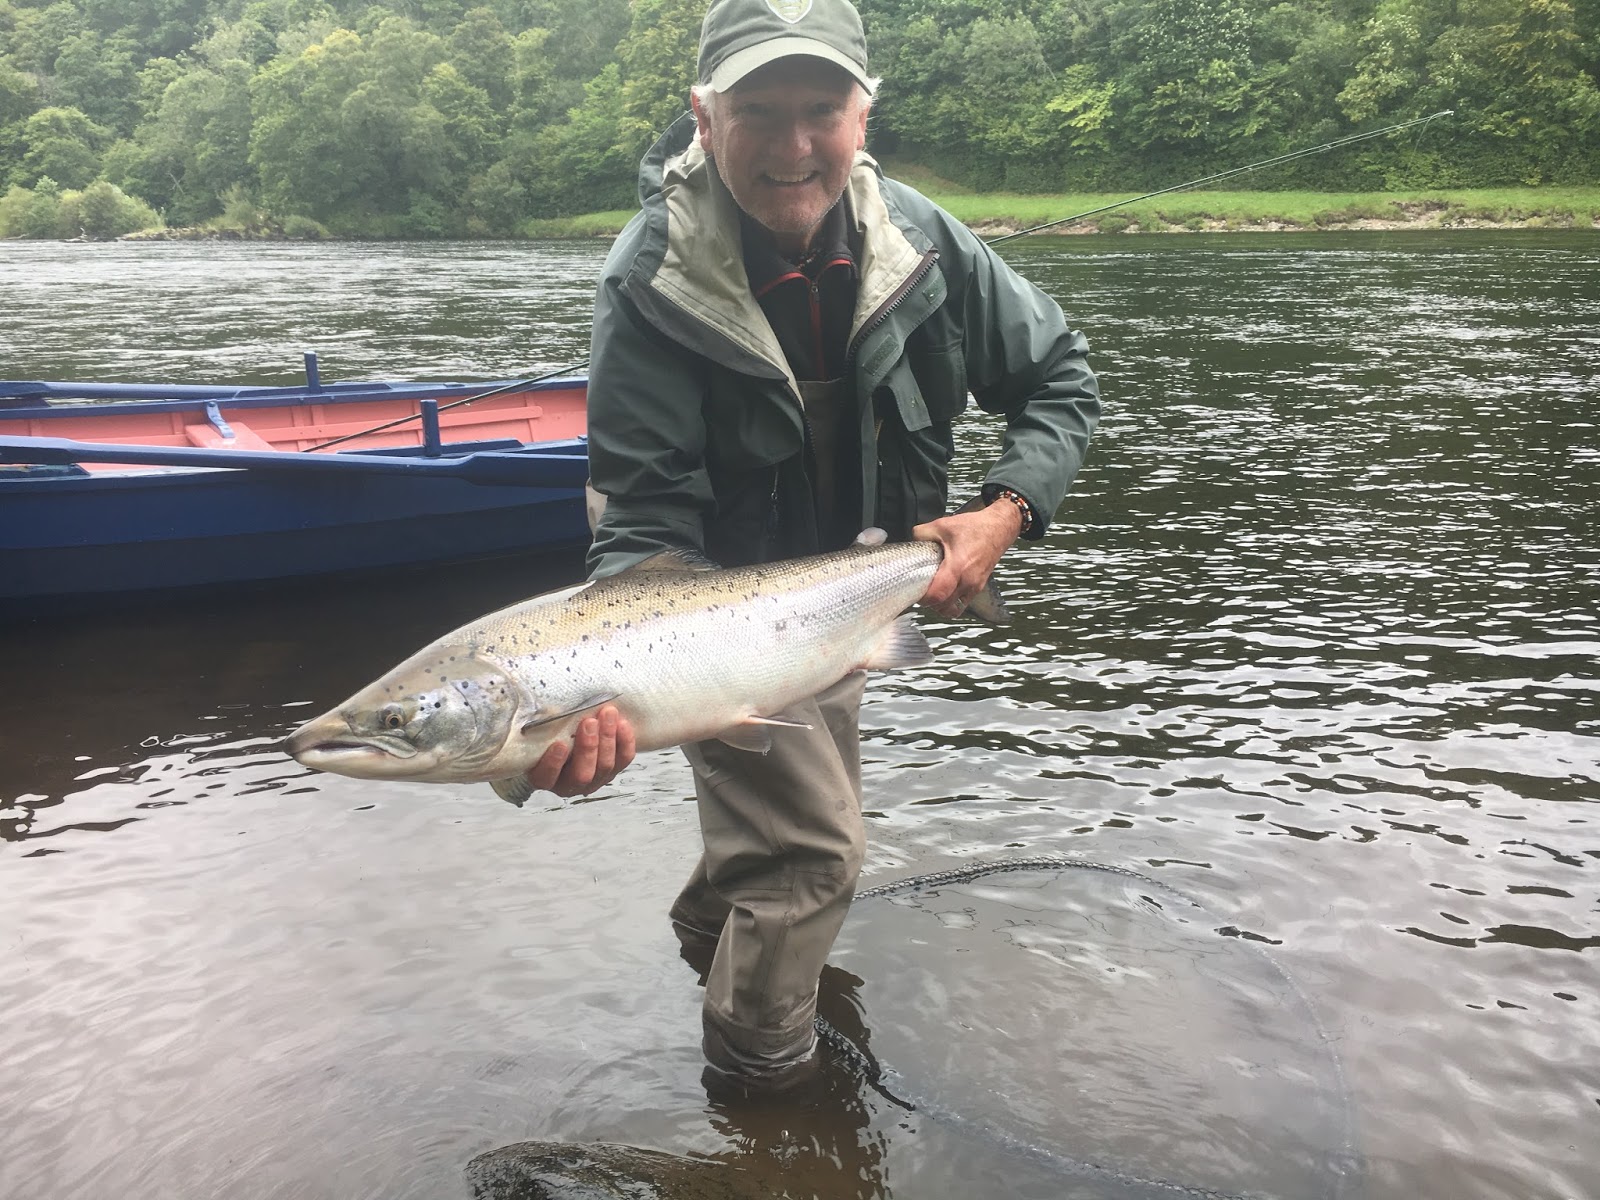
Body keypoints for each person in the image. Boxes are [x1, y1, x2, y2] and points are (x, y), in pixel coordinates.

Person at [523, 0, 1100, 1089]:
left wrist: (1002, 513)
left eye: (820, 110)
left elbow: (1060, 379)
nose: (794, 146)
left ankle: (713, 942)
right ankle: (765, 1090)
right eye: (758, 112)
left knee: (782, 847)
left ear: (862, 115)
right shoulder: (648, 285)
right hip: (730, 623)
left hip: (856, 604)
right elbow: (643, 523)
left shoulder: (924, 242)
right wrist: (607, 692)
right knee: (816, 855)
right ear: (703, 115)